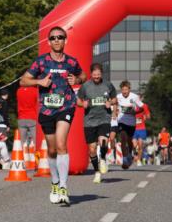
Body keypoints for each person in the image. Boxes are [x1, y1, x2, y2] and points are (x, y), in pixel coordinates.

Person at [20, 26, 85, 206]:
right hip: (47, 109)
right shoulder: (41, 62)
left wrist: (77, 80)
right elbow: (23, 80)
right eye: (54, 38)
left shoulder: (71, 62)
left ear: (66, 40)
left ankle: (64, 187)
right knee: (52, 149)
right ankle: (55, 183)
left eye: (60, 37)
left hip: (66, 106)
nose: (57, 40)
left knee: (62, 144)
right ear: (49, 42)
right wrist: (39, 81)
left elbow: (83, 75)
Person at [76, 63, 117, 184]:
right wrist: (82, 104)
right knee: (92, 149)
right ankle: (97, 172)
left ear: (101, 74)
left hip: (104, 118)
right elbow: (78, 100)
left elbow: (115, 98)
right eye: (94, 74)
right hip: (89, 121)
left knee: (103, 141)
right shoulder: (85, 86)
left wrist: (110, 102)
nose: (96, 77)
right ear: (91, 74)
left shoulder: (108, 85)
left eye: (98, 74)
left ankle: (103, 159)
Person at [115, 81, 145, 170]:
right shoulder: (118, 97)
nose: (124, 91)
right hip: (121, 121)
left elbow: (142, 107)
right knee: (123, 138)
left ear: (129, 89)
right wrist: (115, 112)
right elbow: (115, 105)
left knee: (129, 140)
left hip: (131, 122)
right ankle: (124, 159)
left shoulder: (134, 97)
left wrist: (134, 112)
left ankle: (130, 154)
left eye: (126, 89)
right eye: (123, 89)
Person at [15, 85, 38, 157]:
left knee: (22, 141)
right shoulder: (35, 90)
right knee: (35, 141)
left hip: (21, 117)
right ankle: (35, 159)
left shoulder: (19, 90)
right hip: (32, 117)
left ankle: (23, 159)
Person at [132, 97, 151, 165]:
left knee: (140, 145)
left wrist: (146, 116)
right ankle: (135, 156)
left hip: (141, 129)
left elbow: (148, 117)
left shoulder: (143, 107)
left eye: (140, 99)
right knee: (134, 145)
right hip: (133, 129)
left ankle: (139, 160)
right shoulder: (132, 107)